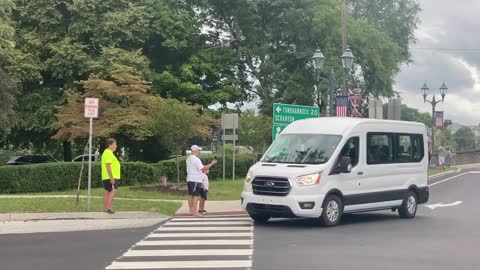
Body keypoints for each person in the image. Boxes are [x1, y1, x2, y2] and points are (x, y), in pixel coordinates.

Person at [186, 145, 217, 216]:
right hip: (196, 179)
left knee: (190, 195)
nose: (199, 151)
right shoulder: (196, 159)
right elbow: (203, 168)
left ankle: (191, 211)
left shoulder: (188, 158)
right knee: (195, 195)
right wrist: (212, 163)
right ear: (194, 150)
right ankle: (194, 212)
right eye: (198, 150)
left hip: (190, 178)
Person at [101, 138, 121, 214]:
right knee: (113, 190)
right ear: (110, 144)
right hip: (110, 176)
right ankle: (108, 208)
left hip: (107, 176)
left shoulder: (107, 153)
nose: (116, 146)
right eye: (115, 144)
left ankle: (106, 208)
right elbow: (108, 165)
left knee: (107, 191)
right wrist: (112, 177)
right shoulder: (108, 153)